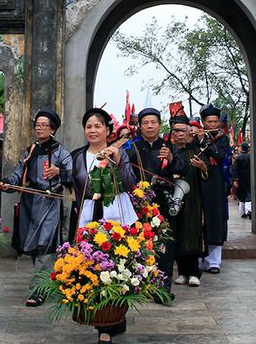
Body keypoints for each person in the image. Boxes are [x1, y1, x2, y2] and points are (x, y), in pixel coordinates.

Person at [70, 108, 136, 344]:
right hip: (88, 215)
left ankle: (110, 323)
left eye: (98, 126)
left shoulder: (119, 153)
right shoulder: (78, 156)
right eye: (89, 126)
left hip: (114, 213)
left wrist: (117, 161)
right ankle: (102, 319)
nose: (93, 130)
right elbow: (75, 186)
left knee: (114, 265)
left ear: (108, 130)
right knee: (92, 265)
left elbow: (129, 183)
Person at [0, 109, 72, 307]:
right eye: (37, 125)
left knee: (45, 245)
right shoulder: (30, 150)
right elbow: (18, 172)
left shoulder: (60, 151)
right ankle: (43, 283)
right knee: (33, 246)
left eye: (44, 125)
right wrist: (7, 183)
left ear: (53, 128)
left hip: (49, 203)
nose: (39, 128)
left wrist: (59, 171)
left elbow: (72, 174)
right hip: (30, 202)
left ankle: (38, 290)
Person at [127, 108, 184, 303]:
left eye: (153, 122)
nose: (150, 126)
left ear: (160, 125)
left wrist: (171, 158)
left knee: (165, 245)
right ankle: (138, 287)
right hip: (139, 204)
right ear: (140, 126)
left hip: (163, 202)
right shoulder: (132, 148)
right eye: (145, 123)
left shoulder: (169, 146)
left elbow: (183, 168)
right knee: (138, 245)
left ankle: (162, 289)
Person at [169, 114, 206, 289]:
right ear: (172, 132)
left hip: (192, 198)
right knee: (176, 233)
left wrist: (203, 168)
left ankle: (194, 272)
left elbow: (207, 175)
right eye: (177, 131)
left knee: (191, 232)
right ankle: (182, 272)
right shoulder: (168, 150)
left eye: (184, 131)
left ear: (189, 133)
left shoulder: (196, 151)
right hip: (171, 197)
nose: (181, 134)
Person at [197, 105, 231, 273]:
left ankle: (214, 262)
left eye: (215, 121)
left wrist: (205, 141)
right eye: (209, 122)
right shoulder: (197, 137)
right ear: (203, 122)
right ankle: (199, 259)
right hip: (199, 184)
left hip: (216, 185)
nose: (213, 125)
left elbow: (220, 155)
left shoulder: (223, 139)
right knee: (199, 221)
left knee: (215, 221)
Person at [233, 143, 252, 219]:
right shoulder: (250, 157)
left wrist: (235, 179)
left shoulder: (238, 158)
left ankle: (243, 212)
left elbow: (235, 169)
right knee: (249, 195)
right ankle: (249, 210)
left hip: (240, 179)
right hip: (249, 178)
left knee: (241, 196)